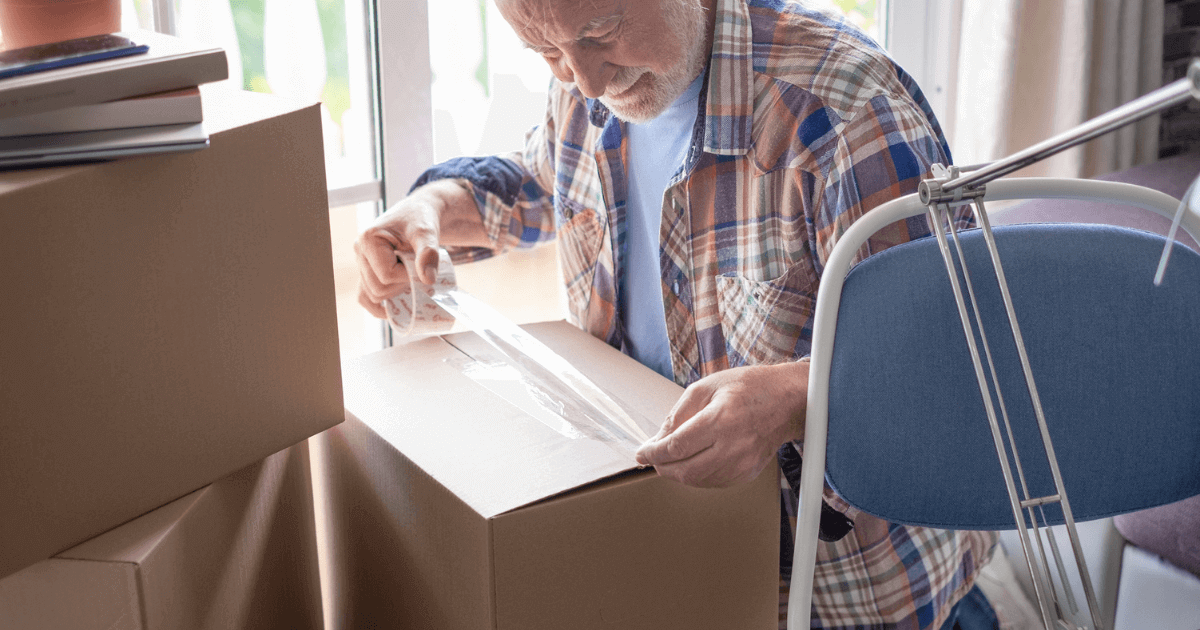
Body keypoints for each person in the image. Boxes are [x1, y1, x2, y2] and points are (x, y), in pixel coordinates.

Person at [355, 0, 999, 627]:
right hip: (684, 552)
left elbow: (953, 362)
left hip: (854, 589)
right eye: (546, 52)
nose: (586, 81)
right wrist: (433, 207)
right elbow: (542, 179)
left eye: (602, 31)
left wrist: (795, 397)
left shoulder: (846, 113)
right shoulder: (588, 89)